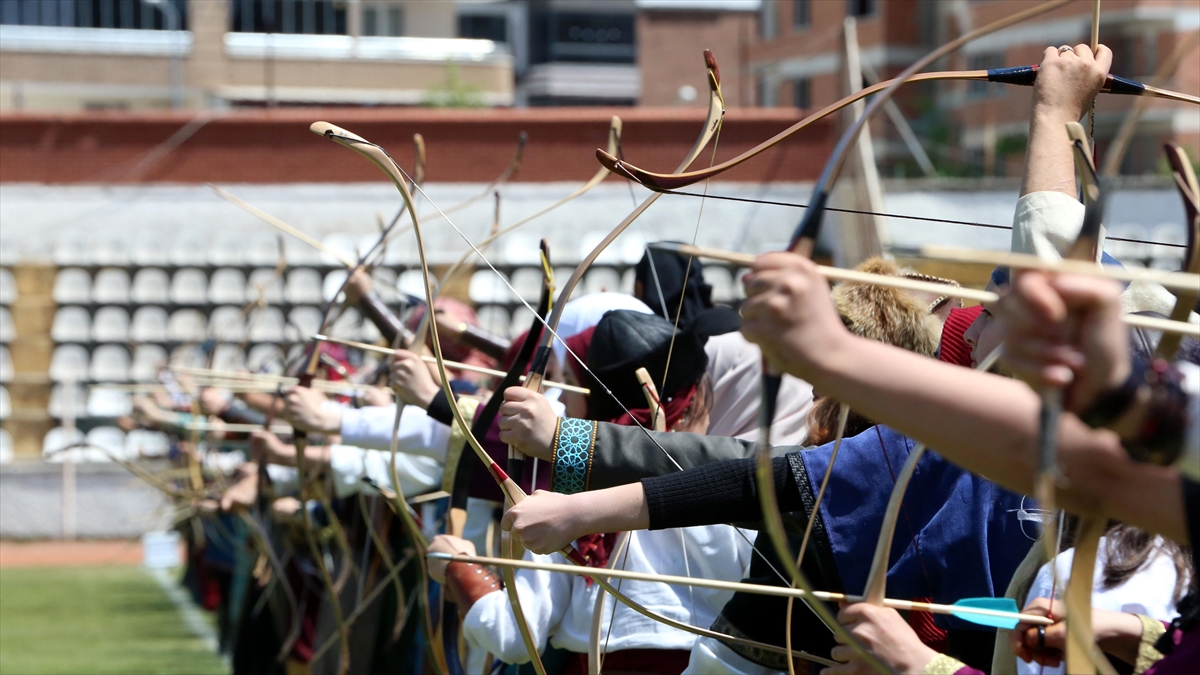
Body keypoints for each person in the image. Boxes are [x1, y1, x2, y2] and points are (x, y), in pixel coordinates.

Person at [430, 309, 754, 674]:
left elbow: (513, 636)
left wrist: (460, 567)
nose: (565, 403)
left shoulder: (569, 502)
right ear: (694, 396)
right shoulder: (742, 484)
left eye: (571, 383)